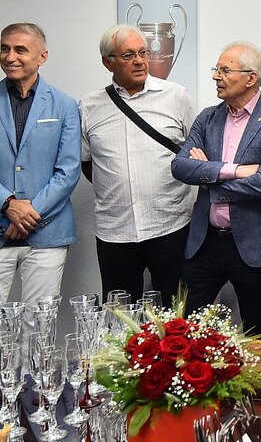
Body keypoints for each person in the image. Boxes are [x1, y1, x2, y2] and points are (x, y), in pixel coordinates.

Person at [0, 23, 80, 330]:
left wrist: (28, 214)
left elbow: (68, 171)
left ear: (42, 56)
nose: (10, 57)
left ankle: (30, 370)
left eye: (20, 50)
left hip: (46, 231)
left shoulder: (65, 105)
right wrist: (8, 205)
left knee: (38, 325)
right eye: (5, 48)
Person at [171, 42, 261, 339]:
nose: (216, 76)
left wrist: (207, 174)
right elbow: (180, 167)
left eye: (225, 70)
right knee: (184, 330)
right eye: (216, 69)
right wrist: (232, 169)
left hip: (254, 245)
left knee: (257, 333)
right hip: (205, 242)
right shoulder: (207, 117)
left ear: (251, 78)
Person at [80, 25, 195, 305]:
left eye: (143, 53)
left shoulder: (176, 96)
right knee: (119, 317)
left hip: (170, 226)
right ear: (108, 62)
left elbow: (197, 155)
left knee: (175, 316)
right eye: (128, 55)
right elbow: (88, 164)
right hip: (115, 231)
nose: (140, 61)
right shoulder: (89, 106)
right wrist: (122, 188)